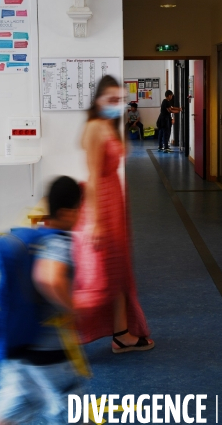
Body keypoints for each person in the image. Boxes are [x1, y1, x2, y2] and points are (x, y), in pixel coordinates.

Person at [0, 176, 85, 425]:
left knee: (10, 409)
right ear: (66, 212)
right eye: (77, 211)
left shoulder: (33, 235)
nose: (79, 217)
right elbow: (49, 278)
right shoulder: (58, 241)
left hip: (19, 345)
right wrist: (71, 308)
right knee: (74, 410)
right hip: (49, 350)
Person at [73, 75, 154, 353]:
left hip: (115, 202)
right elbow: (94, 177)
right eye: (110, 99)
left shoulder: (109, 125)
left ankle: (121, 334)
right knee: (102, 276)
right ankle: (68, 332)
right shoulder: (96, 127)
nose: (115, 104)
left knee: (118, 274)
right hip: (102, 205)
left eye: (118, 100)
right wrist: (95, 222)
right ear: (97, 101)